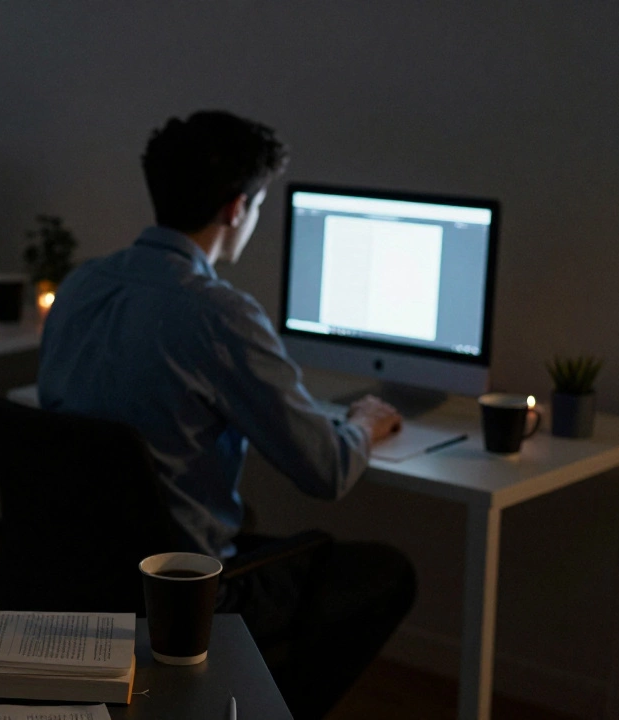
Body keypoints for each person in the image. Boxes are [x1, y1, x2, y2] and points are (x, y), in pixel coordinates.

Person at [37, 110, 415, 720]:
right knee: (385, 573)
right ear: (236, 209)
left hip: (74, 570)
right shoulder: (218, 314)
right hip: (180, 594)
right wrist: (364, 424)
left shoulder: (81, 284)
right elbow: (326, 471)